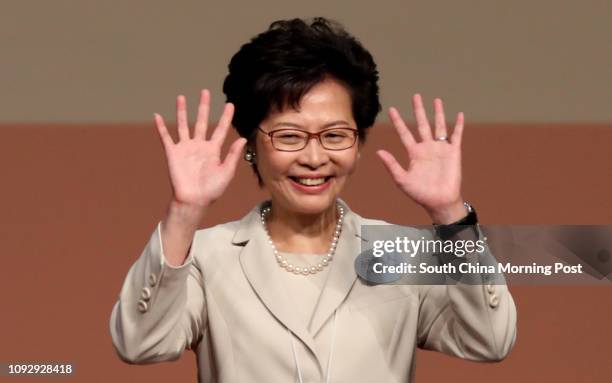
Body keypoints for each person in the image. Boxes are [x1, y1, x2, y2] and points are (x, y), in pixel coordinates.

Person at [109, 17, 516, 383]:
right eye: (289, 136)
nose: (314, 157)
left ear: (358, 145)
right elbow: (140, 345)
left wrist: (450, 213)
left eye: (335, 135)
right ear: (252, 144)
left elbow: (490, 340)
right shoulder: (205, 255)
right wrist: (184, 213)